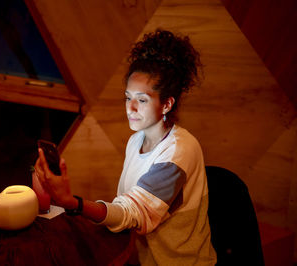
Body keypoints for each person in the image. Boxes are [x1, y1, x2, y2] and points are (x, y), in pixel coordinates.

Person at [34, 29, 217, 265]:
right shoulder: (136, 140)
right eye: (127, 97)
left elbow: (132, 214)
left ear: (166, 104)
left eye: (141, 100)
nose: (130, 108)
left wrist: (73, 203)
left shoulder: (180, 151)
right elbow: (126, 207)